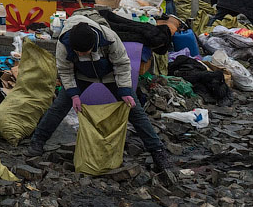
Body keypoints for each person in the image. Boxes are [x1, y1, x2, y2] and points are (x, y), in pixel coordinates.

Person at [28, 15, 174, 182]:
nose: (82, 54)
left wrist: (125, 90)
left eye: (85, 52)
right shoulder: (64, 43)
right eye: (78, 53)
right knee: (59, 106)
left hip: (110, 74)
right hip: (81, 75)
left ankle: (158, 151)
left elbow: (122, 64)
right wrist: (73, 94)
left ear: (94, 45)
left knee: (135, 110)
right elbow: (65, 70)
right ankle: (37, 142)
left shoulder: (109, 39)